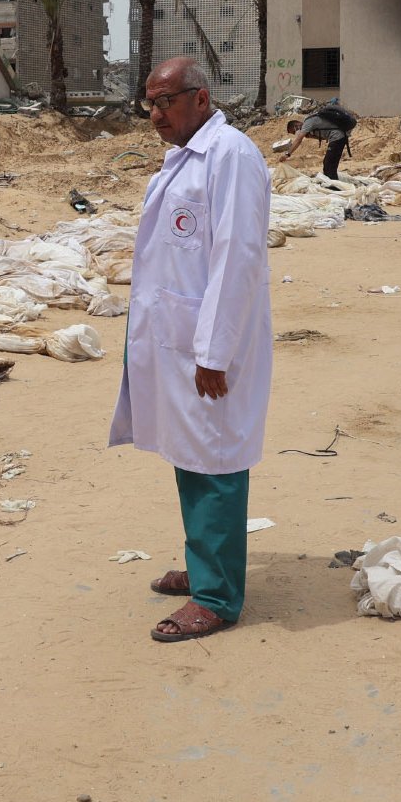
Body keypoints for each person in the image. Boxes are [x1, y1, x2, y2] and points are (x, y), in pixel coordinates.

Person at [109, 56, 272, 642]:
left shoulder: (231, 156)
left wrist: (214, 351)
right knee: (189, 452)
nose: (154, 116)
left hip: (208, 344)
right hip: (178, 337)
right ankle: (206, 564)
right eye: (148, 104)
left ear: (200, 99)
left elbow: (238, 258)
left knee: (216, 459)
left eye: (165, 103)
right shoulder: (183, 157)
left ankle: (218, 597)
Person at [280, 98, 355, 179]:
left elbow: (298, 140)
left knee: (328, 163)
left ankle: (333, 185)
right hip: (339, 137)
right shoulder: (310, 124)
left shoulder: (308, 122)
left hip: (337, 137)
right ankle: (332, 183)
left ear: (296, 125)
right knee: (329, 163)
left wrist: (287, 154)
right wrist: (311, 136)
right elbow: (324, 136)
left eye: (294, 131)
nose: (296, 133)